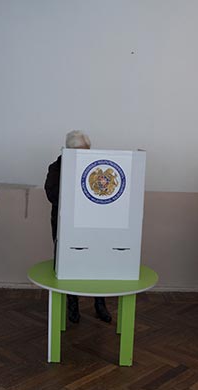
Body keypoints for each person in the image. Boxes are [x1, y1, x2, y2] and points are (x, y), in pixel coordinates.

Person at [44, 130, 112, 324]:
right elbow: (52, 194)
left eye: (87, 150)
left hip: (93, 224)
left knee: (98, 262)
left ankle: (100, 306)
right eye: (81, 151)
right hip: (65, 225)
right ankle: (72, 306)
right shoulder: (56, 168)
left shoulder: (97, 166)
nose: (85, 154)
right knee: (69, 264)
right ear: (69, 150)